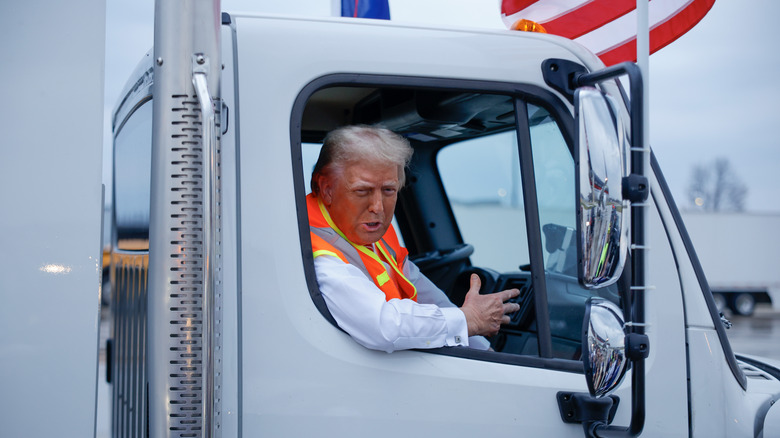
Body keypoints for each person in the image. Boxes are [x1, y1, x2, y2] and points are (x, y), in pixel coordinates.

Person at [308, 125, 520, 353]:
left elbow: (431, 298)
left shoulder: (369, 234)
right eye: (362, 191)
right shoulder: (319, 255)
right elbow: (384, 327)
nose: (378, 207)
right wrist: (467, 320)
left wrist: (487, 355)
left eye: (389, 190)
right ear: (327, 189)